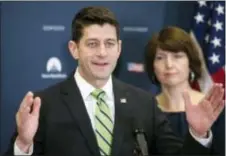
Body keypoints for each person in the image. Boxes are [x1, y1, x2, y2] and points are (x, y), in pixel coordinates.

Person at [5, 7, 224, 156]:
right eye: (92, 44)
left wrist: (198, 134)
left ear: (118, 49)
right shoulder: (43, 105)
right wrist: (23, 145)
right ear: (74, 49)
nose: (102, 53)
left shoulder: (144, 104)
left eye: (109, 43)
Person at [144, 26, 225, 155]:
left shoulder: (213, 108)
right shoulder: (144, 111)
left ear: (190, 63)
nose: (169, 64)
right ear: (152, 66)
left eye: (177, 56)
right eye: (160, 57)